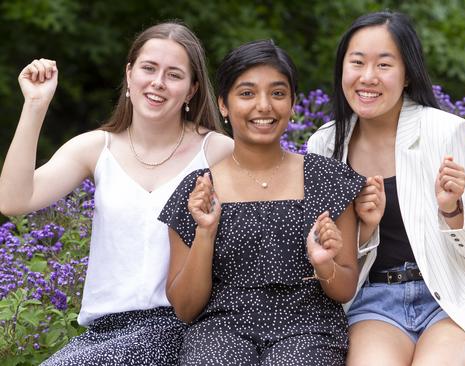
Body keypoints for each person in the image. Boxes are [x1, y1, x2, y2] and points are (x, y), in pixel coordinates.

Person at [0, 22, 233, 365]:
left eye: (174, 75)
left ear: (192, 89)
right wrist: (35, 106)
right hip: (102, 334)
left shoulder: (217, 152)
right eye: (149, 68)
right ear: (129, 74)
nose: (157, 82)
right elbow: (13, 200)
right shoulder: (97, 147)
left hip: (179, 328)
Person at [308, 11, 465, 366]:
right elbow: (331, 257)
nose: (368, 77)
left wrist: (452, 209)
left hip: (451, 300)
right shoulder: (325, 145)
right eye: (357, 62)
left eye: (384, 65)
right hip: (374, 304)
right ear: (343, 68)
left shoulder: (446, 132)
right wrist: (364, 229)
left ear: (406, 75)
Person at [158, 39, 365, 366]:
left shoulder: (327, 179)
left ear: (293, 104)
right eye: (247, 93)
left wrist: (324, 263)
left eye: (278, 93)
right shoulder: (198, 189)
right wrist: (205, 232)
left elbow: (345, 289)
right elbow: (185, 308)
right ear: (223, 105)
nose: (264, 106)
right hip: (220, 330)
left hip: (307, 330)